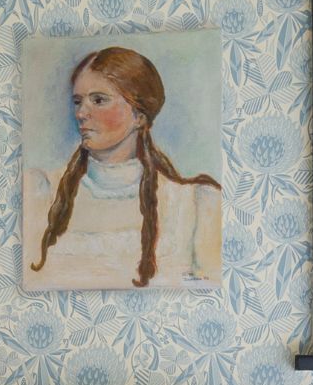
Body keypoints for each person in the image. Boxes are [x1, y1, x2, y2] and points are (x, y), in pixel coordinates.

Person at [24, 45, 220, 288]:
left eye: (98, 100)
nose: (81, 113)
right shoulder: (40, 191)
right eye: (77, 101)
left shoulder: (195, 203)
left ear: (139, 116)